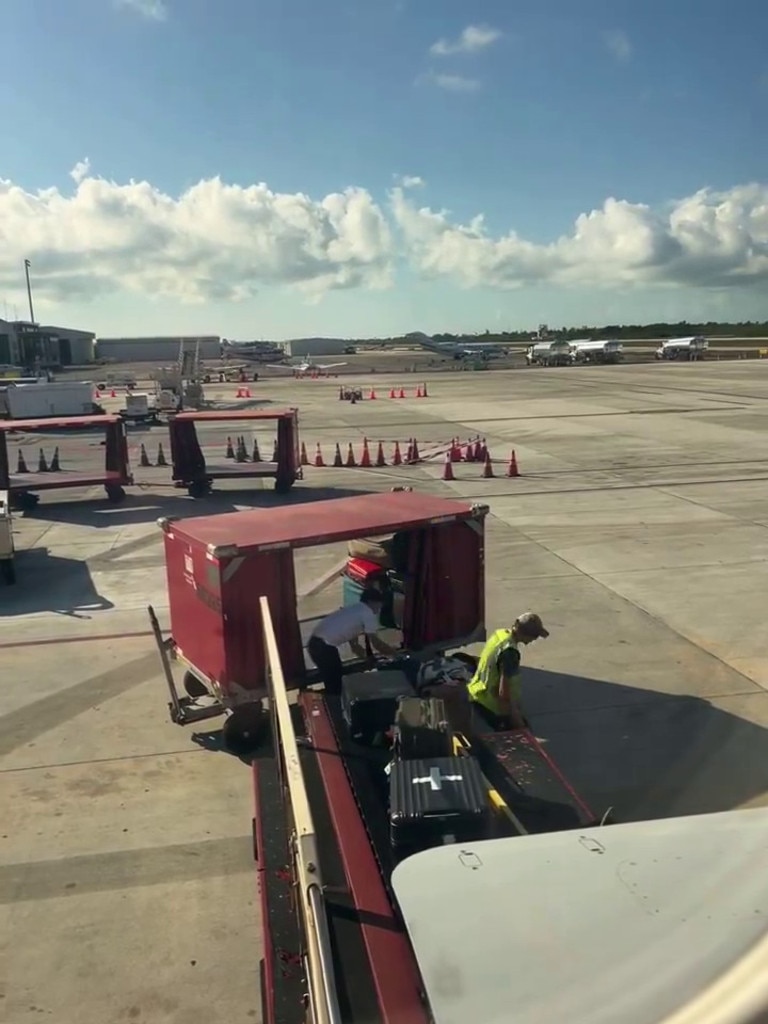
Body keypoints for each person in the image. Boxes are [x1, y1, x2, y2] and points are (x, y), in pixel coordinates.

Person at [307, 588, 401, 696]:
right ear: (371, 602)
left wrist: (367, 659)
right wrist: (395, 654)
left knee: (332, 682)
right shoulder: (368, 612)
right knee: (337, 684)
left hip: (314, 645)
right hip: (325, 648)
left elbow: (355, 646)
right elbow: (377, 644)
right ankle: (336, 707)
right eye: (379, 605)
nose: (379, 609)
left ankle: (332, 702)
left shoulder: (353, 609)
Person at [467, 612, 550, 731]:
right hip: (492, 707)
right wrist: (516, 720)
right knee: (520, 737)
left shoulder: (500, 635)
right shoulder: (510, 654)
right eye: (534, 636)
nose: (534, 640)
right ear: (526, 635)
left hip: (477, 695)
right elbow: (503, 693)